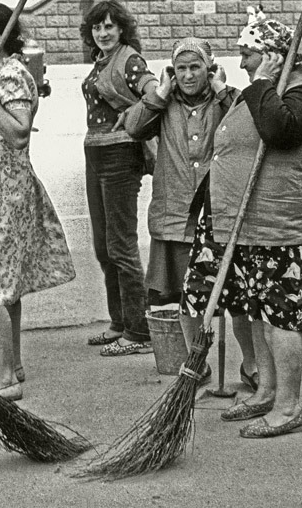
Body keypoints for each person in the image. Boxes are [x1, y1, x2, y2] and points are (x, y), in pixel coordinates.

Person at [183, 19, 302, 439]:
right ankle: (266, 390)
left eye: (248, 53)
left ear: (272, 55)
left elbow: (280, 131)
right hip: (244, 223)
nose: (242, 61)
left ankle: (289, 407)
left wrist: (263, 81)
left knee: (283, 317)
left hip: (279, 223)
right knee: (258, 312)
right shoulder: (265, 88)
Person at [0, 3, 75, 403]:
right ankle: (12, 364)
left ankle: (6, 377)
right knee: (4, 282)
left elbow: (18, 133)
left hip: (6, 195)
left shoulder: (10, 75)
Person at [124, 38, 237, 380]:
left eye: (196, 67)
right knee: (186, 293)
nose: (188, 76)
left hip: (219, 212)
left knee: (232, 295)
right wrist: (159, 93)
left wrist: (222, 92)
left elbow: (247, 126)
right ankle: (196, 364)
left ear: (210, 68)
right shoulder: (164, 103)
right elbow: (134, 127)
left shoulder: (225, 100)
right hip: (174, 213)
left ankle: (249, 367)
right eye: (181, 68)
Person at [78, 0, 157, 356]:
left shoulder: (130, 60)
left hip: (120, 154)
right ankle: (119, 322)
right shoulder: (101, 60)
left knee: (121, 245)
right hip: (95, 152)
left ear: (122, 28)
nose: (103, 33)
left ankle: (139, 331)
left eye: (109, 26)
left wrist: (133, 116)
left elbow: (155, 93)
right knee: (103, 245)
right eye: (97, 27)